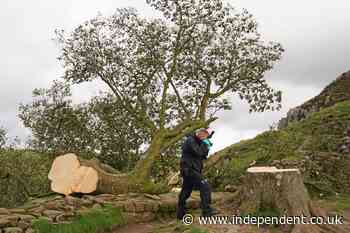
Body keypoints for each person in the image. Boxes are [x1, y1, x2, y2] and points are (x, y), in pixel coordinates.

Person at [176, 127, 219, 219]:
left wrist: (206, 145)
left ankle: (180, 213)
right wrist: (205, 143)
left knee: (186, 191)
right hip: (189, 169)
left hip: (193, 170)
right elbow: (198, 152)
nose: (205, 135)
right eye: (204, 133)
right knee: (205, 186)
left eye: (207, 135)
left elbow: (204, 155)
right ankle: (206, 211)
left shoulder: (199, 141)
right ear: (198, 132)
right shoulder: (190, 140)